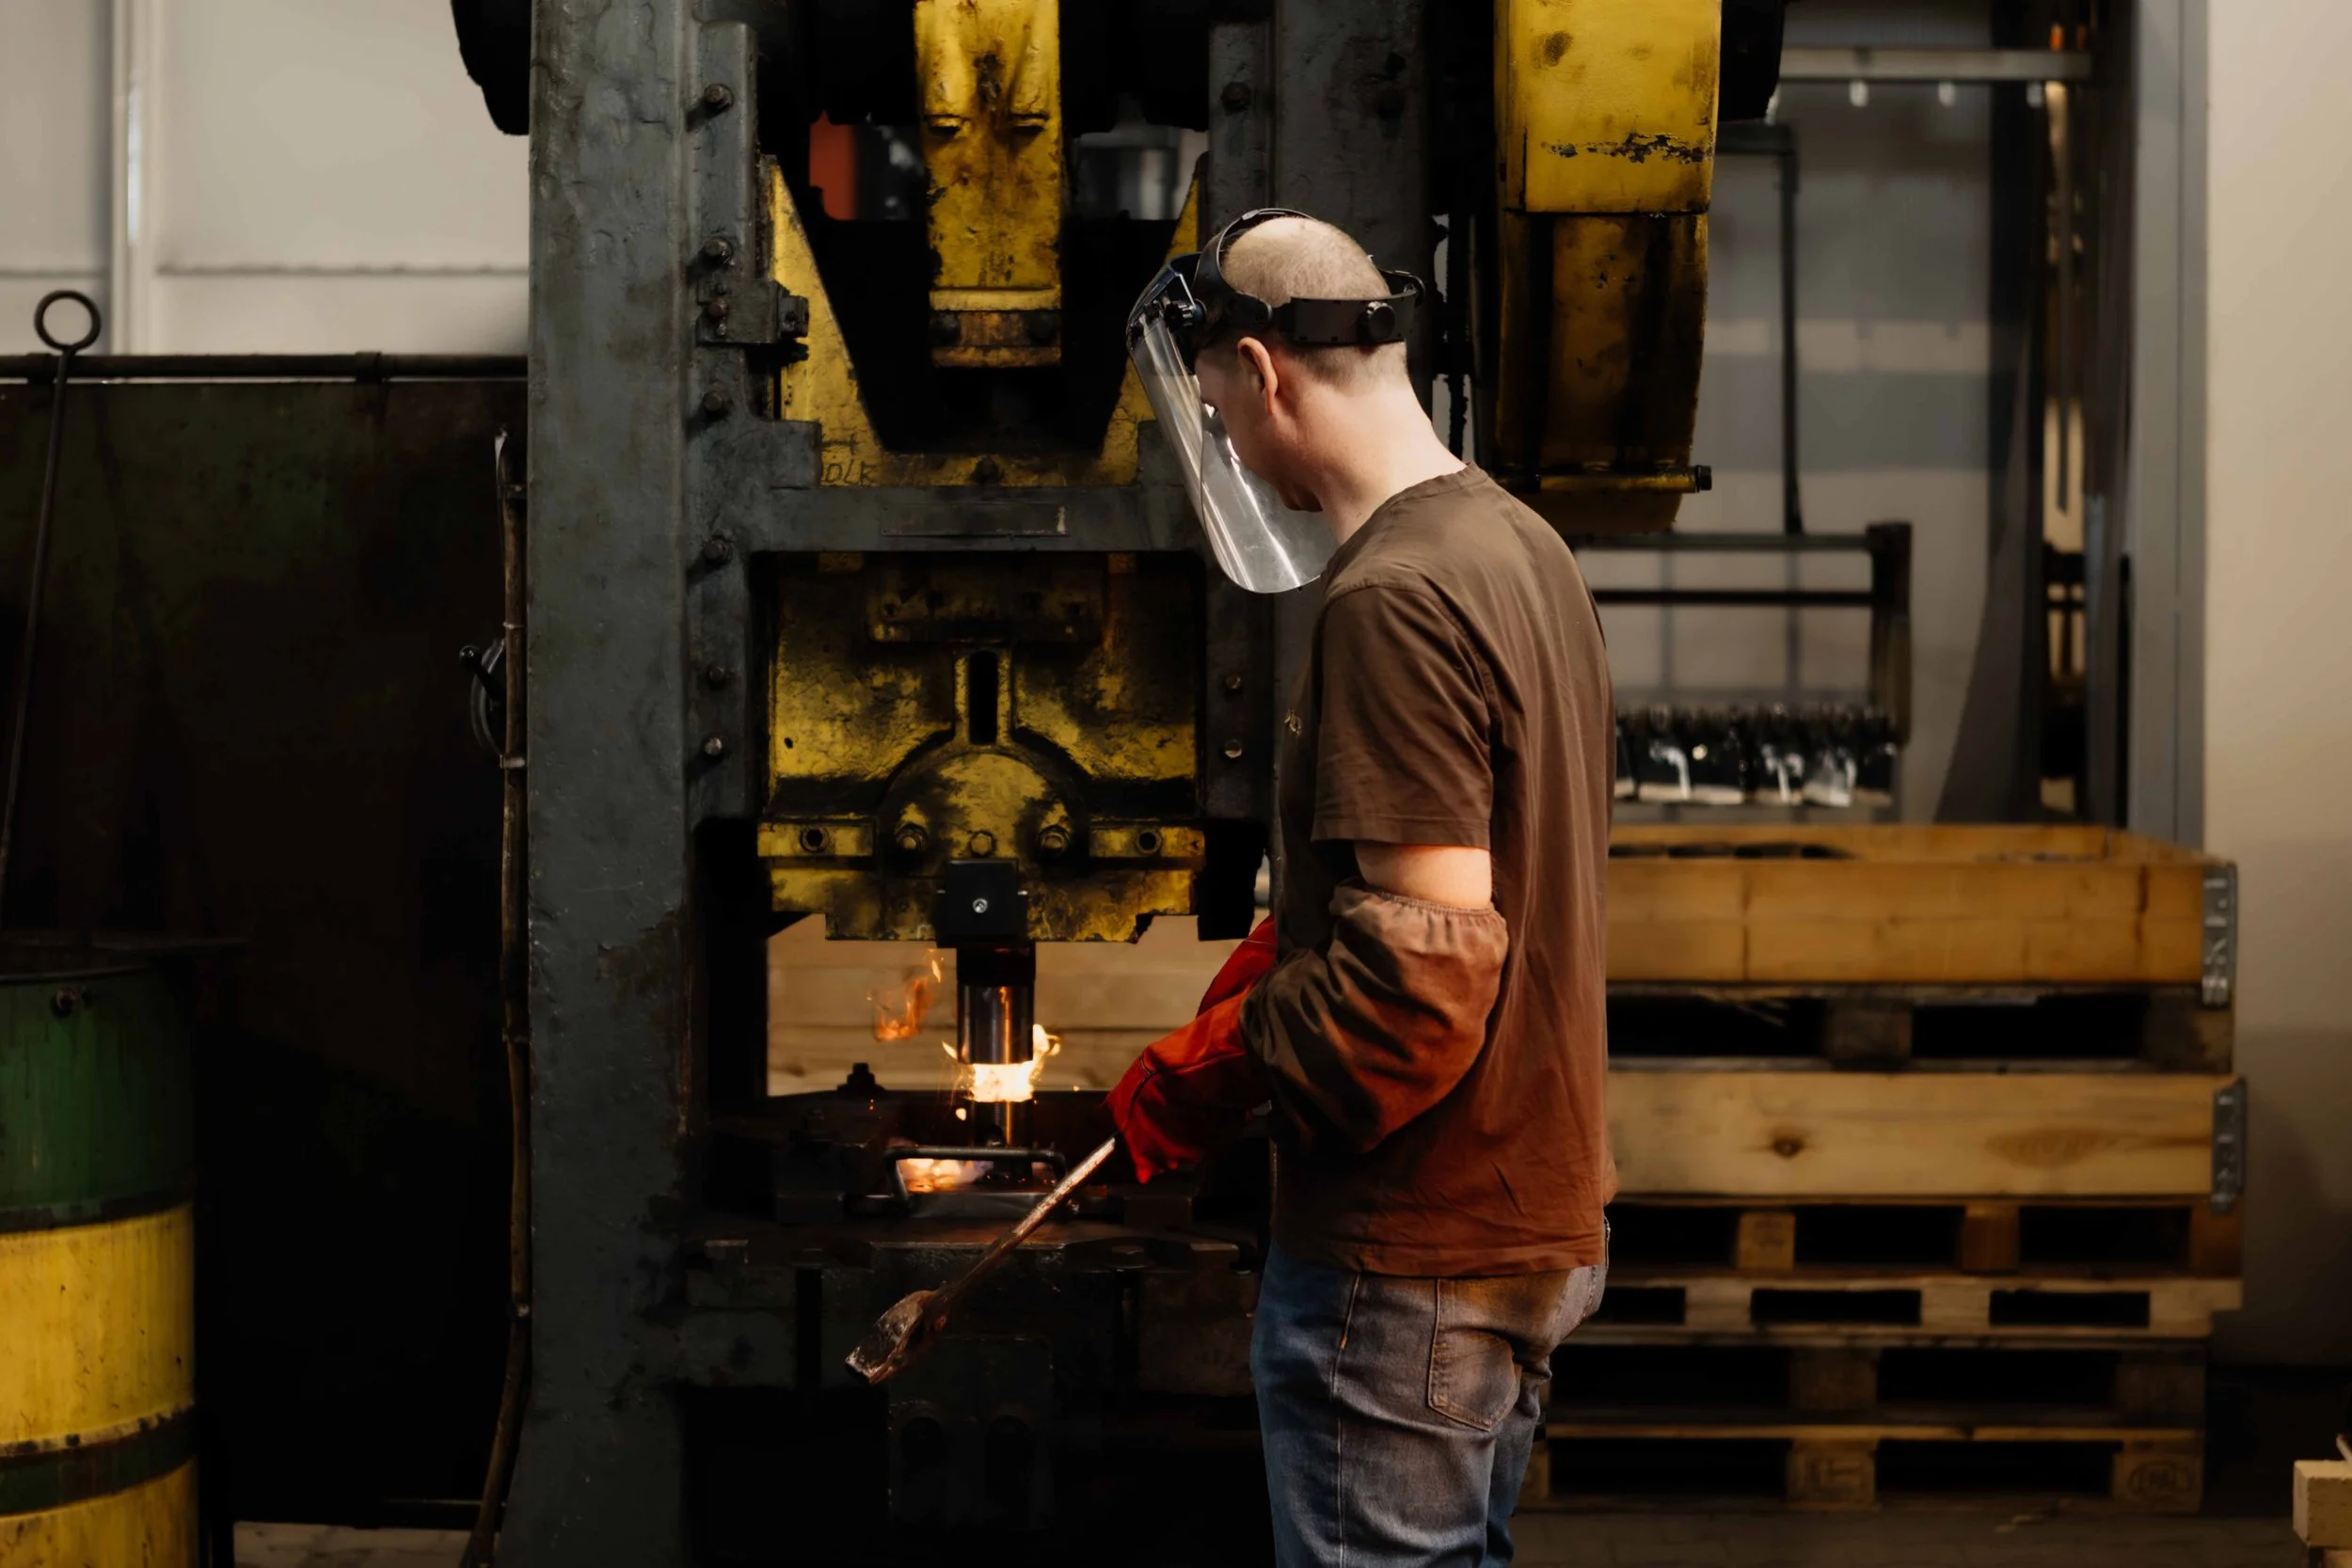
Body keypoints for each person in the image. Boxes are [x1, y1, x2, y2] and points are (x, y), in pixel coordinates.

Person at [1110, 211, 1617, 1568]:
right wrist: (1308, 936)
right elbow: (1474, 877)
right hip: (1528, 1215)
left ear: (1264, 372)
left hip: (1409, 1254)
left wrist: (1227, 1059)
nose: (1218, 424)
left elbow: (1425, 979)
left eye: (1213, 394)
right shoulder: (1521, 547)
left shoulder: (1388, 596)